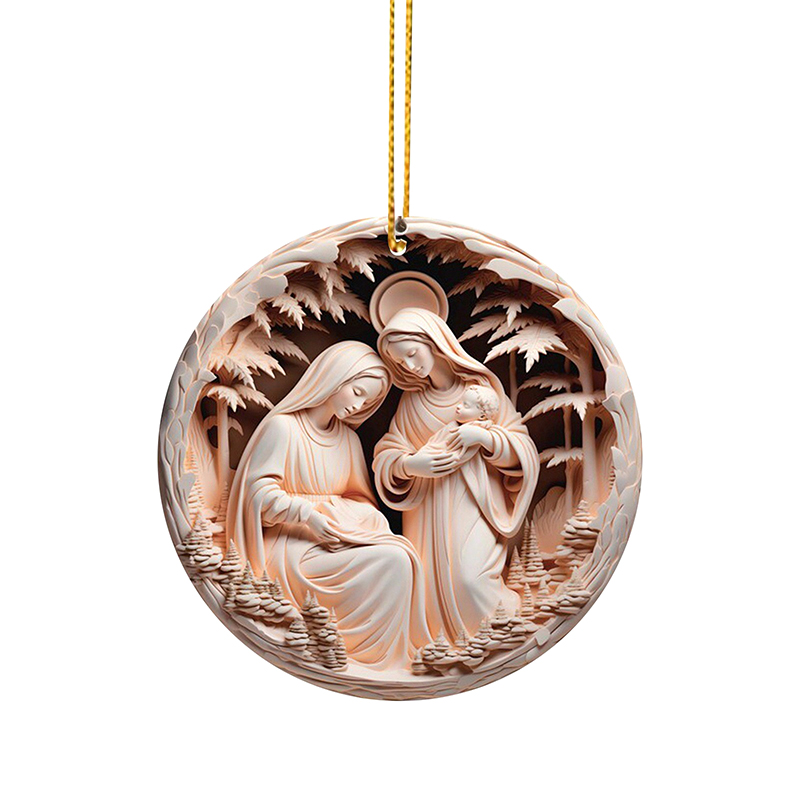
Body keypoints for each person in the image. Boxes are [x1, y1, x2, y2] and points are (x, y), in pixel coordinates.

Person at [226, 341, 430, 671]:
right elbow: (257, 495)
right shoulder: (284, 428)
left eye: (368, 401)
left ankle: (378, 660)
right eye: (357, 392)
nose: (359, 404)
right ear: (335, 377)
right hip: (291, 542)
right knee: (393, 560)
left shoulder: (348, 440)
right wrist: (309, 516)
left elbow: (360, 499)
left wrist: (351, 516)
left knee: (399, 558)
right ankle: (360, 656)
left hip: (335, 536)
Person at [374, 309, 539, 641]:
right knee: (429, 584)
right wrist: (410, 465)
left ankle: (504, 629)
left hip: (473, 502)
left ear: (433, 341)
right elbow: (387, 453)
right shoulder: (412, 402)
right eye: (400, 361)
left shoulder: (481, 391)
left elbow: (523, 450)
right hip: (427, 509)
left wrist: (486, 438)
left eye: (411, 353)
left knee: (470, 578)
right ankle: (443, 645)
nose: (409, 365)